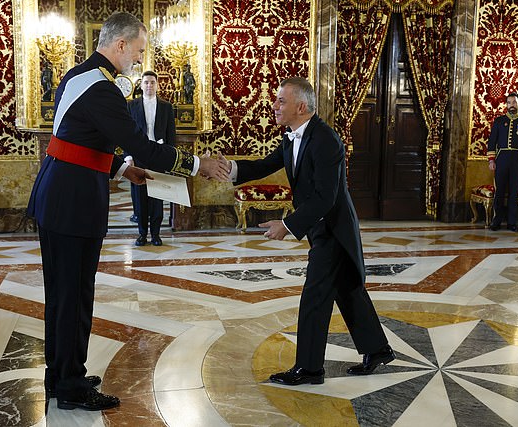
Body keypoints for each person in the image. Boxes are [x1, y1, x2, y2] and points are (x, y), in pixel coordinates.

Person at [27, 11, 229, 412]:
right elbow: (143, 143)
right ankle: (69, 387)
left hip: (62, 196)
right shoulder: (103, 89)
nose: (138, 60)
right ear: (120, 45)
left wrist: (122, 168)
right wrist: (196, 165)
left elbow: (79, 138)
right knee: (74, 295)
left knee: (66, 294)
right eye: (137, 51)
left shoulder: (78, 75)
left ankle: (61, 374)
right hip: (72, 203)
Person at [221, 77, 394, 386]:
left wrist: (287, 225)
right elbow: (264, 165)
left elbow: (326, 198)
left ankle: (310, 368)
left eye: (281, 101)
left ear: (301, 106)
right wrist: (230, 168)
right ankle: (377, 349)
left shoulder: (326, 140)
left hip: (334, 231)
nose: (274, 105)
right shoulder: (291, 137)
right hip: (320, 228)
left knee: (315, 296)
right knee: (347, 289)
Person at [125, 70, 176, 246]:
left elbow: (171, 135)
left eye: (152, 82)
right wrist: (128, 156)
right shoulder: (132, 106)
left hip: (159, 155)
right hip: (139, 155)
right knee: (139, 197)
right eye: (146, 82)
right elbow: (126, 134)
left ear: (157, 85)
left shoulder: (166, 107)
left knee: (157, 196)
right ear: (141, 85)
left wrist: (171, 158)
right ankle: (142, 234)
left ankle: (156, 234)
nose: (149, 86)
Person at [487, 92, 518, 232]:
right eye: (509, 103)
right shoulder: (499, 121)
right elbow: (492, 143)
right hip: (501, 159)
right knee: (499, 191)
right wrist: (491, 160)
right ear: (506, 104)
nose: (511, 105)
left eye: (514, 102)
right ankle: (496, 221)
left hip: (517, 159)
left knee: (514, 191)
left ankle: (512, 222)